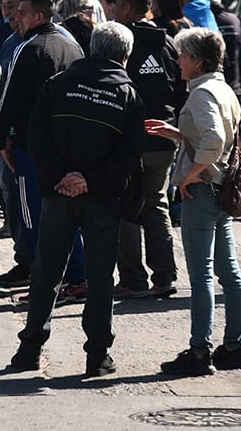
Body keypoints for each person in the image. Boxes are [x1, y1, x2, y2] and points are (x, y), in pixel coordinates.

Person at [9, 22, 144, 377]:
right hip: (100, 198)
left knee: (46, 271)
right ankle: (97, 355)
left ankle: (29, 349)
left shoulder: (59, 84)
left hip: (60, 194)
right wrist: (86, 180)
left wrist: (63, 177)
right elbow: (130, 154)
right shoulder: (128, 95)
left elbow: (35, 136)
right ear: (124, 57)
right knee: (100, 278)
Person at [147, 27, 241, 377]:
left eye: (183, 55)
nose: (177, 61)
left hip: (203, 191)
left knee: (203, 273)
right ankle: (234, 345)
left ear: (198, 60)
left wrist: (190, 176)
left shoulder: (202, 92)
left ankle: (199, 350)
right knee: (228, 272)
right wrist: (176, 132)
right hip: (221, 190)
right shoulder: (221, 88)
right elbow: (215, 135)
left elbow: (214, 141)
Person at [0, 0, 85, 288]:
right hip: (67, 146)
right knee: (66, 213)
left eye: (22, 12)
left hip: (32, 147)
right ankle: (75, 276)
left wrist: (0, 141)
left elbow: (9, 98)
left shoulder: (28, 48)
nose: (15, 18)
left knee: (32, 213)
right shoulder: (72, 46)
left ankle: (42, 278)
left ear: (39, 17)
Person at [113, 0, 183, 299]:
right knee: (155, 205)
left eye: (117, 4)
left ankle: (133, 279)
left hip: (131, 138)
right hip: (163, 137)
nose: (113, 9)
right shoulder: (166, 43)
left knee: (127, 206)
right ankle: (165, 276)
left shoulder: (119, 43)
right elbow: (180, 88)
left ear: (128, 9)